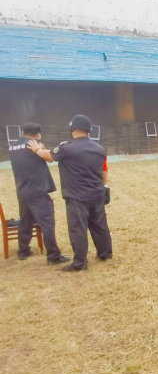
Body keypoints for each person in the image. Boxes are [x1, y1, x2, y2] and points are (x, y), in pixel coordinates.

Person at [28, 115, 112, 272]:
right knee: (100, 225)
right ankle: (105, 254)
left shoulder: (66, 147)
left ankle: (80, 263)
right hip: (97, 193)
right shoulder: (99, 148)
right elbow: (104, 170)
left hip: (76, 196)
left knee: (77, 229)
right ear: (88, 130)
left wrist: (37, 149)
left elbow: (49, 157)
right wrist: (103, 186)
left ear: (73, 129)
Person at [8, 123, 70, 264]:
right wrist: (40, 149)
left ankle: (23, 251)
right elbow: (49, 158)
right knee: (47, 223)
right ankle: (53, 256)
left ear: (23, 132)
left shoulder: (12, 147)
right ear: (37, 135)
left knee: (25, 221)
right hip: (37, 191)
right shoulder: (33, 145)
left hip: (22, 190)